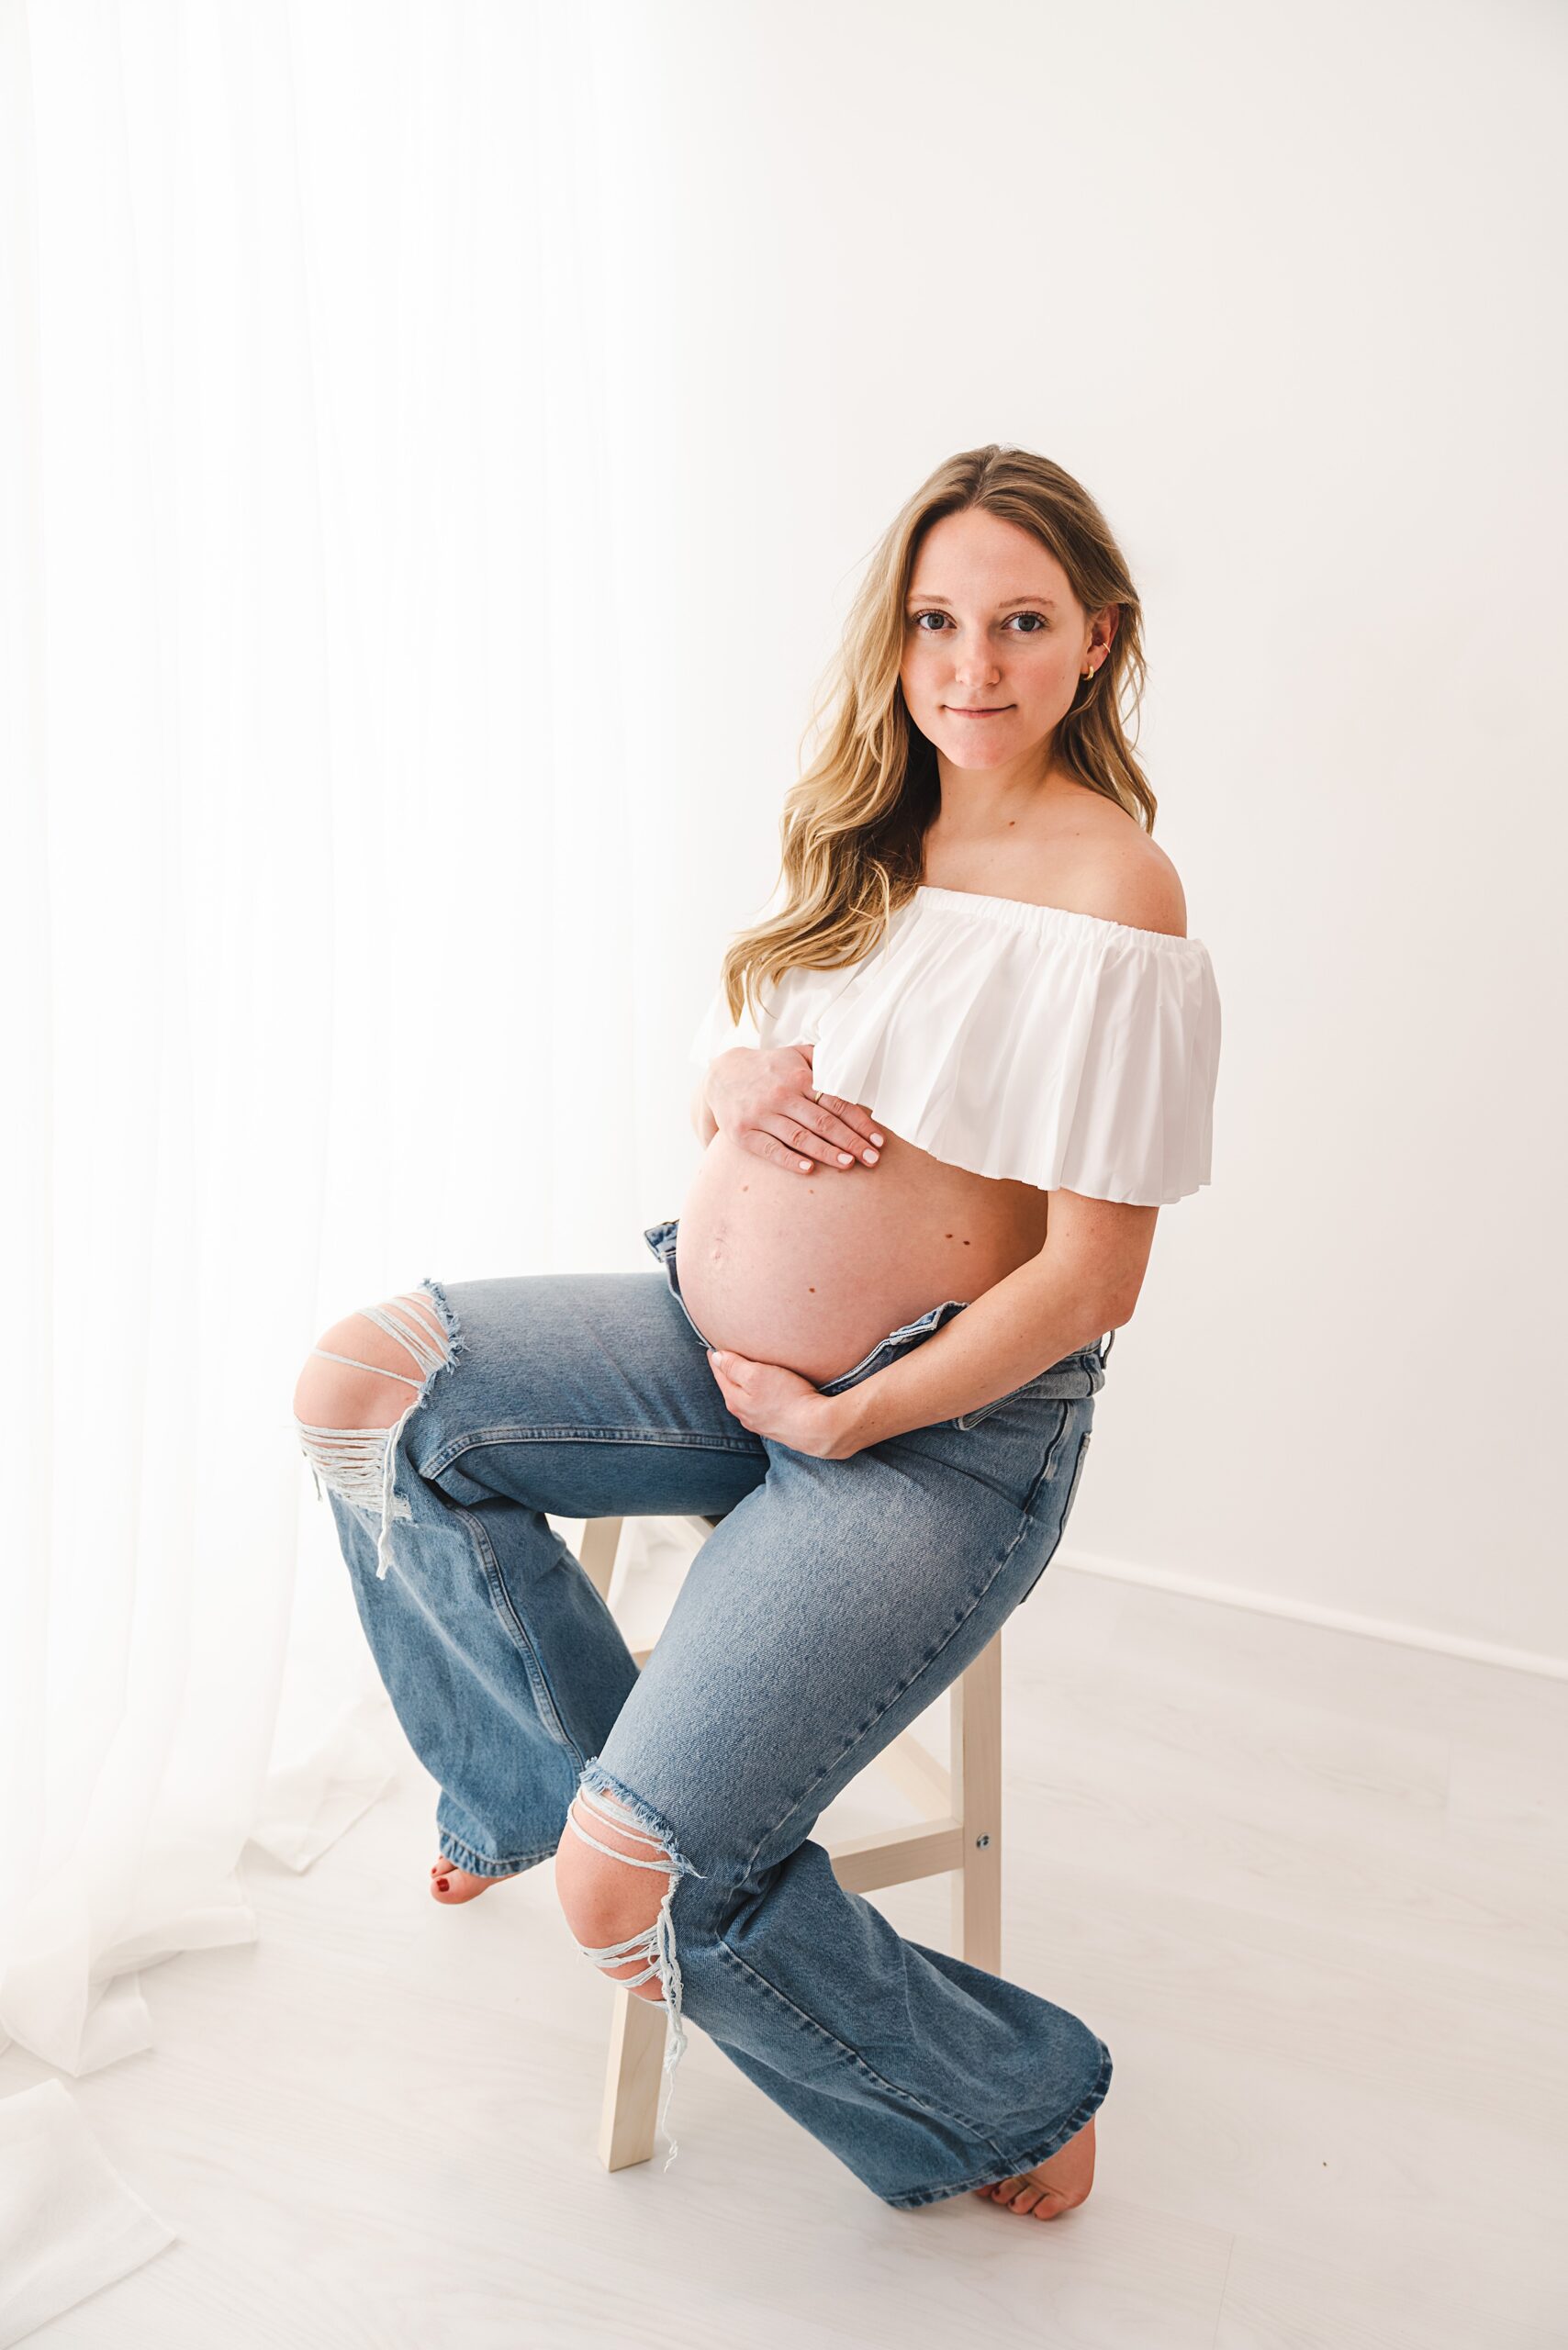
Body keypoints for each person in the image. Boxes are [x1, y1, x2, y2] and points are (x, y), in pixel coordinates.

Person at [291, 442, 1222, 2221]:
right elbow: (760, 1053)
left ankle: (998, 2100)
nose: (970, 665)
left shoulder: (1117, 892)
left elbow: (1090, 1279)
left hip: (931, 1435)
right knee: (367, 1384)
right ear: (893, 634)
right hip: (705, 1347)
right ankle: (538, 1788)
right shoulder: (867, 826)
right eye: (935, 620)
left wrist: (852, 1422)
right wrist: (725, 1081)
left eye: (1019, 623)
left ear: (1094, 640)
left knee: (629, 1886)